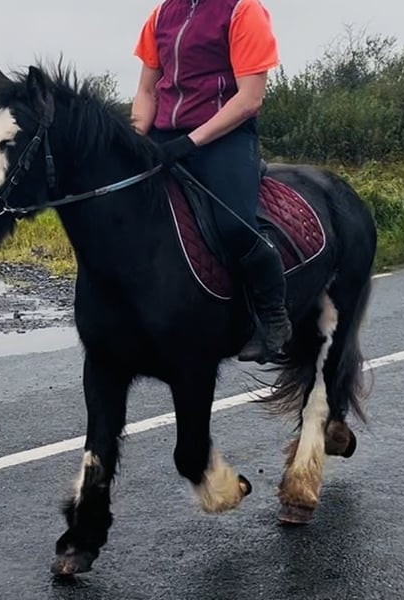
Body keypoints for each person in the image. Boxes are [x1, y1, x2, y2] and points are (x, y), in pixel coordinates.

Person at [131, 0, 291, 364]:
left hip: (225, 137)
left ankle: (273, 317)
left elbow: (250, 98)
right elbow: (147, 91)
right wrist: (137, 141)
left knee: (233, 224)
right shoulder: (161, 15)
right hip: (164, 134)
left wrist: (190, 142)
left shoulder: (243, 10)